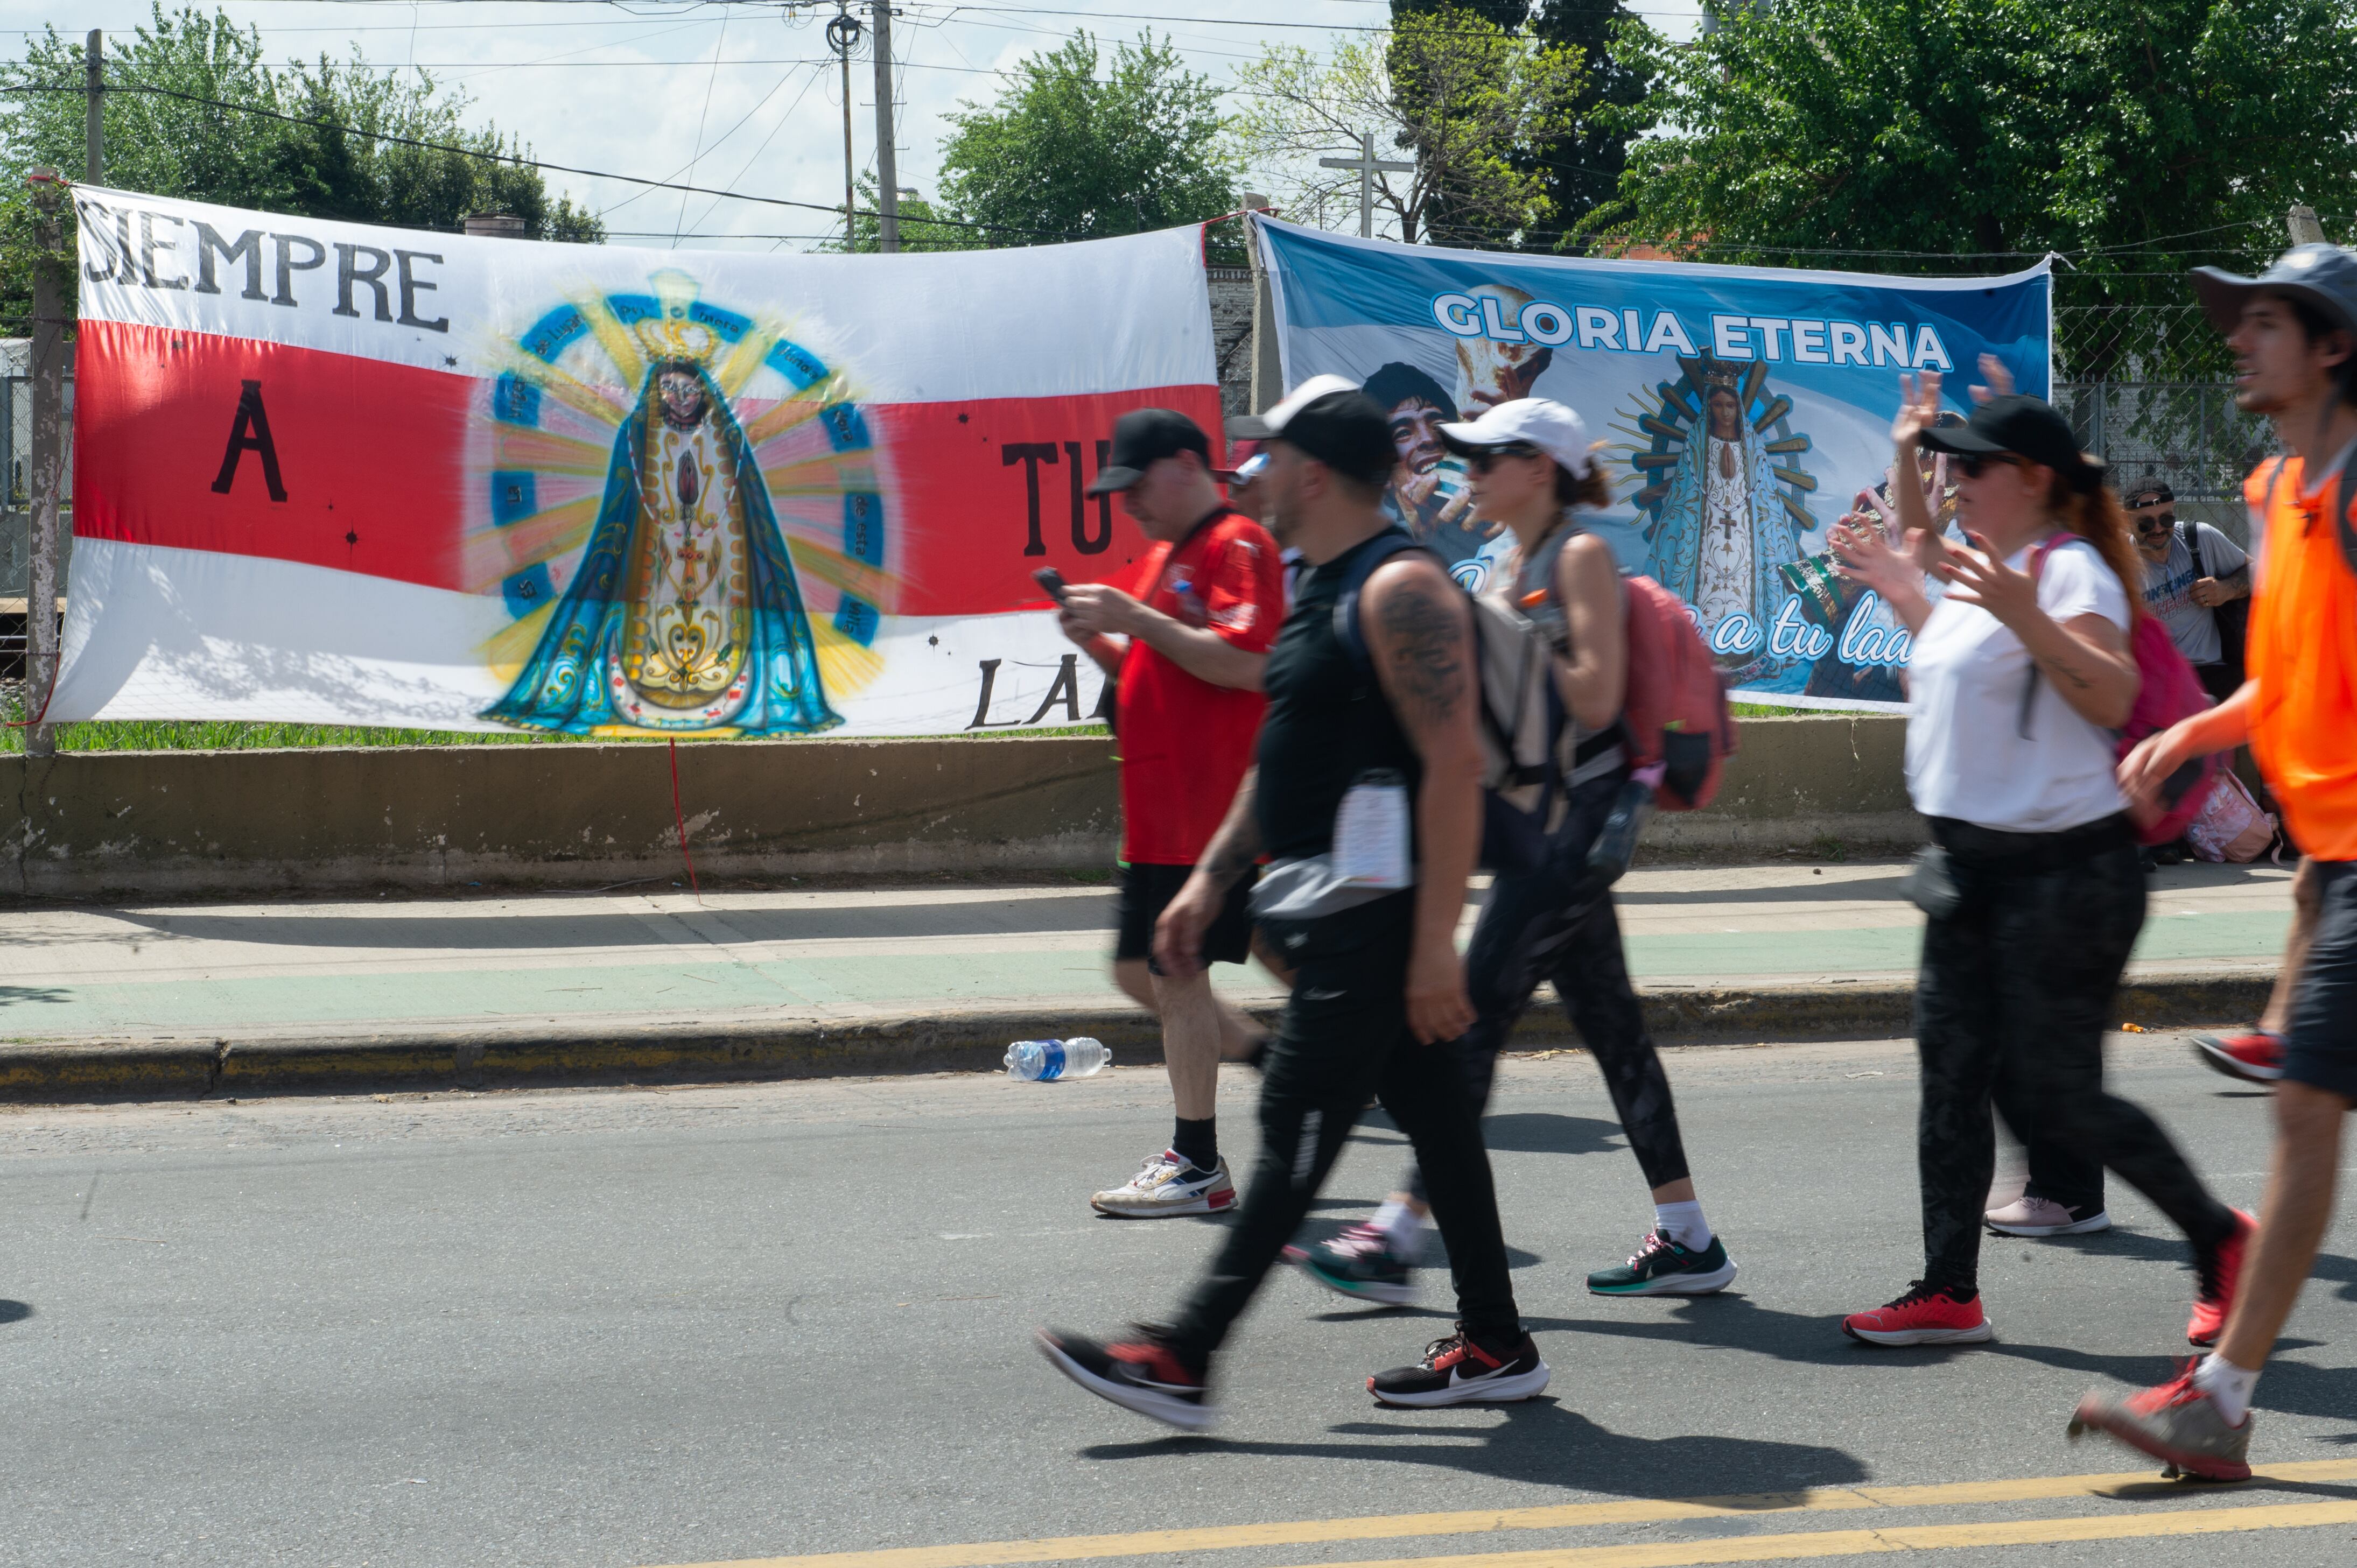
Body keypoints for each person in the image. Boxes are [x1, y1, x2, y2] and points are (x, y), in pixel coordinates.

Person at [1037, 377, 1547, 1428]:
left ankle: (1181, 1355)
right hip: (1331, 902)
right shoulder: (1318, 580)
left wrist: (1433, 949)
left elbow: (1454, 766)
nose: (1251, 472)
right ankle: (1495, 1341)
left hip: (1382, 918)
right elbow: (1279, 762)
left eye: (1265, 456)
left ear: (1311, 472)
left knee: (1290, 1119)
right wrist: (1211, 878)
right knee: (1440, 1124)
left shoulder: (1399, 588)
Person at [1828, 380, 2252, 1348]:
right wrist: (1904, 556)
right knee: (1951, 1079)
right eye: (1945, 462)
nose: (1950, 478)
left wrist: (2021, 613)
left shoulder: (2067, 574)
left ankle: (2220, 1237)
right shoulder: (1993, 569)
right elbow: (1951, 624)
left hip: (2064, 874)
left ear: (2029, 479)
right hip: (1968, 872)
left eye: (1968, 465)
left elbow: (2106, 692)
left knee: (2052, 1092)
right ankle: (1947, 1290)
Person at [1295, 396, 1738, 1306]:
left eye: (1487, 457)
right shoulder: (1513, 559)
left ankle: (1396, 1230)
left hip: (1568, 833)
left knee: (1467, 1019)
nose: (1468, 469)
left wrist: (1492, 622)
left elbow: (1591, 693)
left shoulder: (1576, 555)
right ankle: (1689, 1236)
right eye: (1464, 456)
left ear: (1540, 467)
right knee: (1614, 1030)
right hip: (1542, 825)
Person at [2069, 242, 2357, 1481]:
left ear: (2332, 344)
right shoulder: (2288, 484)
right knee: (2304, 1100)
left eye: (2262, 322)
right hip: (2340, 860)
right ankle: (2221, 1403)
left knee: (2302, 1109)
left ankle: (2220, 1404)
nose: (2235, 338)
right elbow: (2288, 679)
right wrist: (2196, 723)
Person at [1056, 408, 1285, 1218]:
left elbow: (1249, 663)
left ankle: (1199, 1158)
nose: (1128, 504)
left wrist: (1135, 619)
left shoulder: (1237, 545)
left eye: (1135, 483)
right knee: (1149, 972)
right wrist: (1099, 640)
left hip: (1206, 814)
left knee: (1177, 974)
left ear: (1187, 464)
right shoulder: (1164, 555)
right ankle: (1280, 1073)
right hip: (1159, 814)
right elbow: (1159, 677)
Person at [2125, 482, 2250, 706]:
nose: (2158, 529)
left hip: (2212, 670)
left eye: (2166, 519)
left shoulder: (2199, 538)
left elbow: (2259, 572)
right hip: (2158, 682)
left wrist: (2226, 590)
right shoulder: (2120, 564)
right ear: (2127, 521)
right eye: (2145, 523)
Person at [1361, 361, 1481, 560]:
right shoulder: (1372, 554)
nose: (1429, 439)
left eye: (1438, 425)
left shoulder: (1504, 520)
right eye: (1403, 433)